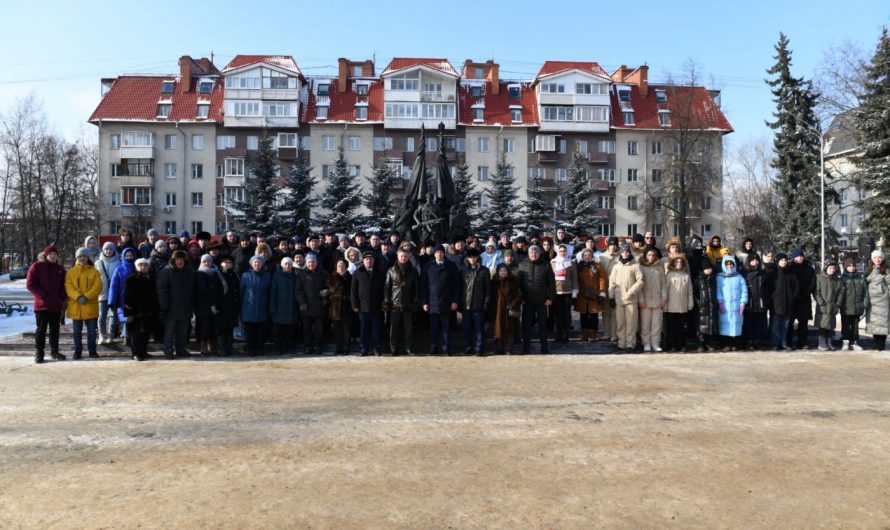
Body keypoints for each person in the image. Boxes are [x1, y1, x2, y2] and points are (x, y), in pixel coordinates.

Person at [27, 245, 67, 363]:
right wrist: (42, 295)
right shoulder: (36, 267)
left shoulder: (60, 269)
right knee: (41, 330)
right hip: (42, 305)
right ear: (45, 255)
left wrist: (61, 296)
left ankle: (54, 351)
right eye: (50, 254)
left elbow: (64, 285)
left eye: (55, 254)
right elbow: (30, 284)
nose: (53, 256)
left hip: (56, 305)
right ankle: (39, 352)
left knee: (55, 330)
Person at [421, 245, 460, 355]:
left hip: (447, 302)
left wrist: (455, 301)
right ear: (434, 254)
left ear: (444, 253)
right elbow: (423, 285)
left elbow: (457, 285)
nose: (439, 254)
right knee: (433, 327)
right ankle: (433, 346)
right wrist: (424, 302)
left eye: (441, 252)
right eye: (437, 252)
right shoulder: (428, 266)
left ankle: (446, 347)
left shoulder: (451, 266)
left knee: (446, 327)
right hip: (432, 302)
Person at [156, 249, 196, 359]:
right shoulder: (166, 272)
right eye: (177, 259)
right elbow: (161, 290)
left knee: (182, 331)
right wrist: (164, 306)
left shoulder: (189, 272)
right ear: (173, 260)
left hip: (185, 307)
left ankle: (181, 349)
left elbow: (193, 289)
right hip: (171, 307)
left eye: (182, 260)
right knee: (169, 331)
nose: (180, 262)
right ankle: (168, 350)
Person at [517, 244, 556, 354]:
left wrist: (551, 298)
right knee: (527, 326)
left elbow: (552, 284)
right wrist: (521, 298)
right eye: (531, 253)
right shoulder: (522, 265)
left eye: (535, 253)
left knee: (542, 326)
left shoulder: (546, 265)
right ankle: (525, 348)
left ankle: (544, 348)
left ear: (539, 254)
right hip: (527, 301)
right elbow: (518, 285)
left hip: (542, 301)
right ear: (528, 254)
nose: (533, 254)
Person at [65, 247, 102, 360]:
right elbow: (68, 287)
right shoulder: (71, 272)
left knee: (91, 332)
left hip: (90, 306)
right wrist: (78, 296)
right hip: (76, 307)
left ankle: (92, 351)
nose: (82, 258)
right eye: (80, 256)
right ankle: (78, 351)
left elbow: (98, 287)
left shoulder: (95, 271)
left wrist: (86, 296)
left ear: (87, 257)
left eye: (84, 256)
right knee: (77, 332)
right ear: (77, 258)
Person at [384, 248, 420, 356]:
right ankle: (393, 348)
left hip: (408, 303)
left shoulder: (413, 271)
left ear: (408, 257)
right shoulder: (391, 270)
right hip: (395, 303)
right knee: (393, 328)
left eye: (405, 256)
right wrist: (387, 301)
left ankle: (408, 348)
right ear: (397, 256)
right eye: (401, 256)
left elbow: (417, 288)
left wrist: (416, 300)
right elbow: (387, 287)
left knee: (408, 328)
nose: (403, 258)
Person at [609, 244, 645, 353]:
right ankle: (621, 342)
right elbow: (612, 282)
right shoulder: (616, 266)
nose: (625, 253)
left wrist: (631, 292)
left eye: (627, 252)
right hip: (619, 298)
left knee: (631, 322)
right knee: (620, 322)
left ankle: (630, 343)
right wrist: (611, 296)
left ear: (630, 253)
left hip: (631, 298)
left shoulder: (635, 266)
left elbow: (641, 281)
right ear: (621, 253)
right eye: (623, 252)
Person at [351, 251, 386, 356]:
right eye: (367, 259)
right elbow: (353, 290)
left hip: (376, 305)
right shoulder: (358, 272)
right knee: (364, 329)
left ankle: (377, 348)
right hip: (362, 306)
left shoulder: (380, 272)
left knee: (376, 329)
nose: (369, 261)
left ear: (373, 261)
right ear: (363, 261)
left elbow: (384, 288)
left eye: (371, 259)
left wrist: (384, 303)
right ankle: (363, 349)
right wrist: (355, 305)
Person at [123, 258, 159, 361]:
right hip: (135, 312)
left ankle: (143, 351)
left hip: (149, 311)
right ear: (136, 267)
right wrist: (128, 312)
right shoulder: (131, 279)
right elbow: (127, 297)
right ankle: (135, 353)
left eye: (145, 265)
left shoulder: (151, 279)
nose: (143, 267)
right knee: (136, 334)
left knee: (146, 333)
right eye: (140, 265)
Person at [240, 255, 272, 356]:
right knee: (250, 331)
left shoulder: (267, 275)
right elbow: (241, 291)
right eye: (255, 262)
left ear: (262, 264)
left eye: (259, 262)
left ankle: (260, 348)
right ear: (251, 264)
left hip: (262, 306)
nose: (257, 264)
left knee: (261, 330)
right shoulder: (245, 275)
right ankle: (250, 348)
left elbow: (270, 291)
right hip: (248, 307)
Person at [460, 248, 490, 356]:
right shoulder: (463, 270)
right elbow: (460, 288)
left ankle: (479, 348)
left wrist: (486, 302)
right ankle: (468, 347)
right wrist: (460, 302)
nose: (472, 259)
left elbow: (488, 289)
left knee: (479, 329)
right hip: (466, 304)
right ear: (467, 258)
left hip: (479, 304)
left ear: (478, 257)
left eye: (474, 257)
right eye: (470, 257)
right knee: (467, 328)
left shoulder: (484, 270)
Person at [296, 254, 328, 355]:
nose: (311, 264)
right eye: (309, 262)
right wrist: (302, 302)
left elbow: (328, 285)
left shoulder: (323, 273)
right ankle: (307, 346)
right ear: (306, 263)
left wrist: (327, 291)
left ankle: (318, 346)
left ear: (316, 263)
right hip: (306, 306)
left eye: (313, 262)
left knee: (319, 329)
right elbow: (298, 290)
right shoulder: (302, 274)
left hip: (319, 305)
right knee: (307, 329)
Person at [575, 248, 607, 343]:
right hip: (582, 295)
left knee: (594, 316)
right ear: (582, 256)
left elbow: (602, 279)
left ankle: (593, 336)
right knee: (583, 316)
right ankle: (584, 335)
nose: (587, 257)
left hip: (594, 295)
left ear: (592, 256)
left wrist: (602, 292)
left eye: (589, 255)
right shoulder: (578, 266)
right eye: (585, 255)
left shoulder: (597, 266)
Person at [716, 254, 748, 351]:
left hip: (736, 306)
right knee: (725, 324)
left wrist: (743, 303)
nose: (729, 266)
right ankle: (725, 344)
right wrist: (720, 301)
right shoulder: (720, 277)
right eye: (727, 264)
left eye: (731, 264)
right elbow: (718, 290)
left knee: (736, 324)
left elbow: (744, 290)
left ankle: (734, 343)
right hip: (725, 306)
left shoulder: (739, 277)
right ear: (724, 265)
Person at [637, 248, 667, 352]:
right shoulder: (641, 267)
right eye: (649, 255)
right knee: (645, 324)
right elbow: (639, 285)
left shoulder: (659, 267)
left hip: (657, 300)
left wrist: (664, 297)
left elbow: (663, 283)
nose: (651, 257)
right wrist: (641, 300)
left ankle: (655, 343)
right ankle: (646, 343)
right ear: (645, 256)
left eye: (653, 255)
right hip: (645, 300)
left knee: (657, 324)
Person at [489, 263, 522, 355]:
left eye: (505, 271)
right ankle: (498, 348)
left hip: (509, 309)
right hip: (497, 310)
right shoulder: (493, 282)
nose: (503, 272)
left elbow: (519, 296)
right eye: (501, 271)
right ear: (497, 272)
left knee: (509, 329)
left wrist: (513, 304)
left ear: (508, 271)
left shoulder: (513, 282)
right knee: (497, 329)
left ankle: (508, 348)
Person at [787, 248, 816, 350]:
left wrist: (806, 292)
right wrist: (793, 294)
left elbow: (813, 283)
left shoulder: (809, 268)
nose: (799, 258)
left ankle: (802, 342)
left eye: (801, 256)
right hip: (793, 299)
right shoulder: (789, 268)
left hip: (804, 299)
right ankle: (789, 342)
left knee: (803, 323)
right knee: (790, 322)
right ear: (794, 257)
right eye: (797, 256)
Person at [664, 254, 693, 352]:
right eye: (677, 262)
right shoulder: (669, 275)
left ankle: (680, 345)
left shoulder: (686, 275)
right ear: (673, 263)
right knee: (671, 327)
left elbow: (689, 291)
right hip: (671, 306)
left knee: (681, 328)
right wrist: (665, 303)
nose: (679, 264)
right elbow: (665, 290)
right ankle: (670, 346)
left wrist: (690, 303)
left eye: (681, 262)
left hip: (682, 306)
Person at [195, 254, 223, 355]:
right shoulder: (199, 273)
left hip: (215, 303)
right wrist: (211, 304)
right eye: (205, 261)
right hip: (203, 305)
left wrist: (215, 303)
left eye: (209, 261)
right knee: (205, 326)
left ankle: (213, 346)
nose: (207, 263)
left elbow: (219, 288)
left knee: (213, 326)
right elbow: (202, 290)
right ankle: (203, 346)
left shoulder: (216, 272)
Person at [108, 247, 137, 346]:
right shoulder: (119, 269)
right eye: (127, 255)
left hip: (135, 298)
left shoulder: (136, 268)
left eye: (131, 255)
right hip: (122, 298)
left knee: (134, 318)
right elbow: (114, 286)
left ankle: (132, 336)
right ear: (123, 257)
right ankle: (125, 336)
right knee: (124, 318)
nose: (129, 257)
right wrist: (112, 300)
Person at [838, 257, 868, 351]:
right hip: (846, 308)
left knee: (855, 327)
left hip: (857, 307)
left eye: (853, 266)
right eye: (849, 266)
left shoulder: (860, 278)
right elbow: (839, 293)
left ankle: (854, 341)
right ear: (846, 267)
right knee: (845, 325)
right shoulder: (842, 279)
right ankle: (846, 341)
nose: (852, 268)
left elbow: (866, 292)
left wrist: (864, 304)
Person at [742, 253, 771, 350]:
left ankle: (758, 341)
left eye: (757, 260)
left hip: (760, 302)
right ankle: (749, 342)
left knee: (759, 323)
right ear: (749, 261)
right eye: (753, 260)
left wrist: (766, 300)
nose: (755, 262)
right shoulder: (745, 273)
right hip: (749, 302)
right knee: (749, 323)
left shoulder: (763, 273)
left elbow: (767, 288)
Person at [770, 253, 798, 350]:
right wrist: (772, 297)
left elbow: (796, 286)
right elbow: (769, 288)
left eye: (785, 260)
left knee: (786, 325)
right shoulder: (773, 273)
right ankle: (775, 343)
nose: (783, 262)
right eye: (781, 260)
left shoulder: (791, 273)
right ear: (777, 261)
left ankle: (784, 343)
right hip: (776, 304)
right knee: (776, 325)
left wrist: (793, 297)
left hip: (788, 303)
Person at [550, 244, 577, 343]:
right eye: (560, 251)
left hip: (568, 292)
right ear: (558, 252)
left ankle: (566, 335)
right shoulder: (553, 262)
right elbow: (550, 278)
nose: (562, 253)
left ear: (567, 252)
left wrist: (575, 290)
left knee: (567, 314)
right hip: (557, 292)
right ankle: (558, 334)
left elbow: (574, 278)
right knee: (558, 314)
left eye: (564, 251)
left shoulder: (571, 263)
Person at [95, 242, 120, 345]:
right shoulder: (98, 263)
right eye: (106, 249)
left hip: (113, 292)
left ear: (114, 250)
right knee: (102, 315)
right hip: (102, 292)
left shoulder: (118, 262)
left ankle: (111, 335)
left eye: (110, 249)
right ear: (103, 250)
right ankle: (102, 335)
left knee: (113, 315)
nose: (108, 251)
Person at [814, 259, 842, 351]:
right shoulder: (819, 278)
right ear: (826, 268)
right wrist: (821, 302)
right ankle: (822, 343)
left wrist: (837, 304)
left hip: (832, 306)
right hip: (823, 306)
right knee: (822, 325)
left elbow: (841, 293)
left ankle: (829, 342)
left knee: (830, 326)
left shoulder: (837, 280)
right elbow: (816, 292)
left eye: (834, 268)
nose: (832, 269)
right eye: (830, 268)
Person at [216, 256, 240, 356]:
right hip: (222, 305)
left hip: (232, 305)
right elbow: (215, 291)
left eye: (230, 262)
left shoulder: (235, 274)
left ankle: (230, 347)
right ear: (221, 264)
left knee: (230, 327)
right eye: (226, 262)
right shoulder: (218, 274)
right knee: (221, 328)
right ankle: (222, 348)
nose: (228, 264)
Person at [327, 259, 353, 355]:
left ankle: (346, 349)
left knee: (347, 329)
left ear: (346, 267)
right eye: (339, 266)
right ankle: (338, 348)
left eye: (342, 265)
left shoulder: (350, 277)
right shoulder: (332, 277)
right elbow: (328, 290)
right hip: (335, 307)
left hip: (347, 306)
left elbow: (353, 291)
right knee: (337, 330)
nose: (341, 267)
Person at [866, 249, 889, 351]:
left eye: (879, 257)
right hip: (872, 301)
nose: (877, 259)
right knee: (874, 323)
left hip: (883, 301)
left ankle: (881, 345)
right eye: (875, 257)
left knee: (882, 323)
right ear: (872, 259)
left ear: (883, 258)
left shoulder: (886, 270)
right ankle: (876, 344)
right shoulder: (869, 270)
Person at [694, 260, 719, 352]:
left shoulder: (713, 279)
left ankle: (708, 343)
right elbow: (695, 293)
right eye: (707, 269)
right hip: (702, 307)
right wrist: (699, 302)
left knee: (710, 325)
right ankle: (700, 344)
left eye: (710, 268)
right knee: (701, 326)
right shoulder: (698, 280)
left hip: (711, 306)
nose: (709, 270)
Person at [599, 236, 621, 343]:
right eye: (611, 245)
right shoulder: (602, 257)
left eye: (615, 245)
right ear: (608, 246)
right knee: (605, 312)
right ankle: (606, 333)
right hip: (605, 288)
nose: (613, 247)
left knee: (614, 312)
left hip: (616, 289)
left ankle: (614, 334)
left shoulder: (620, 257)